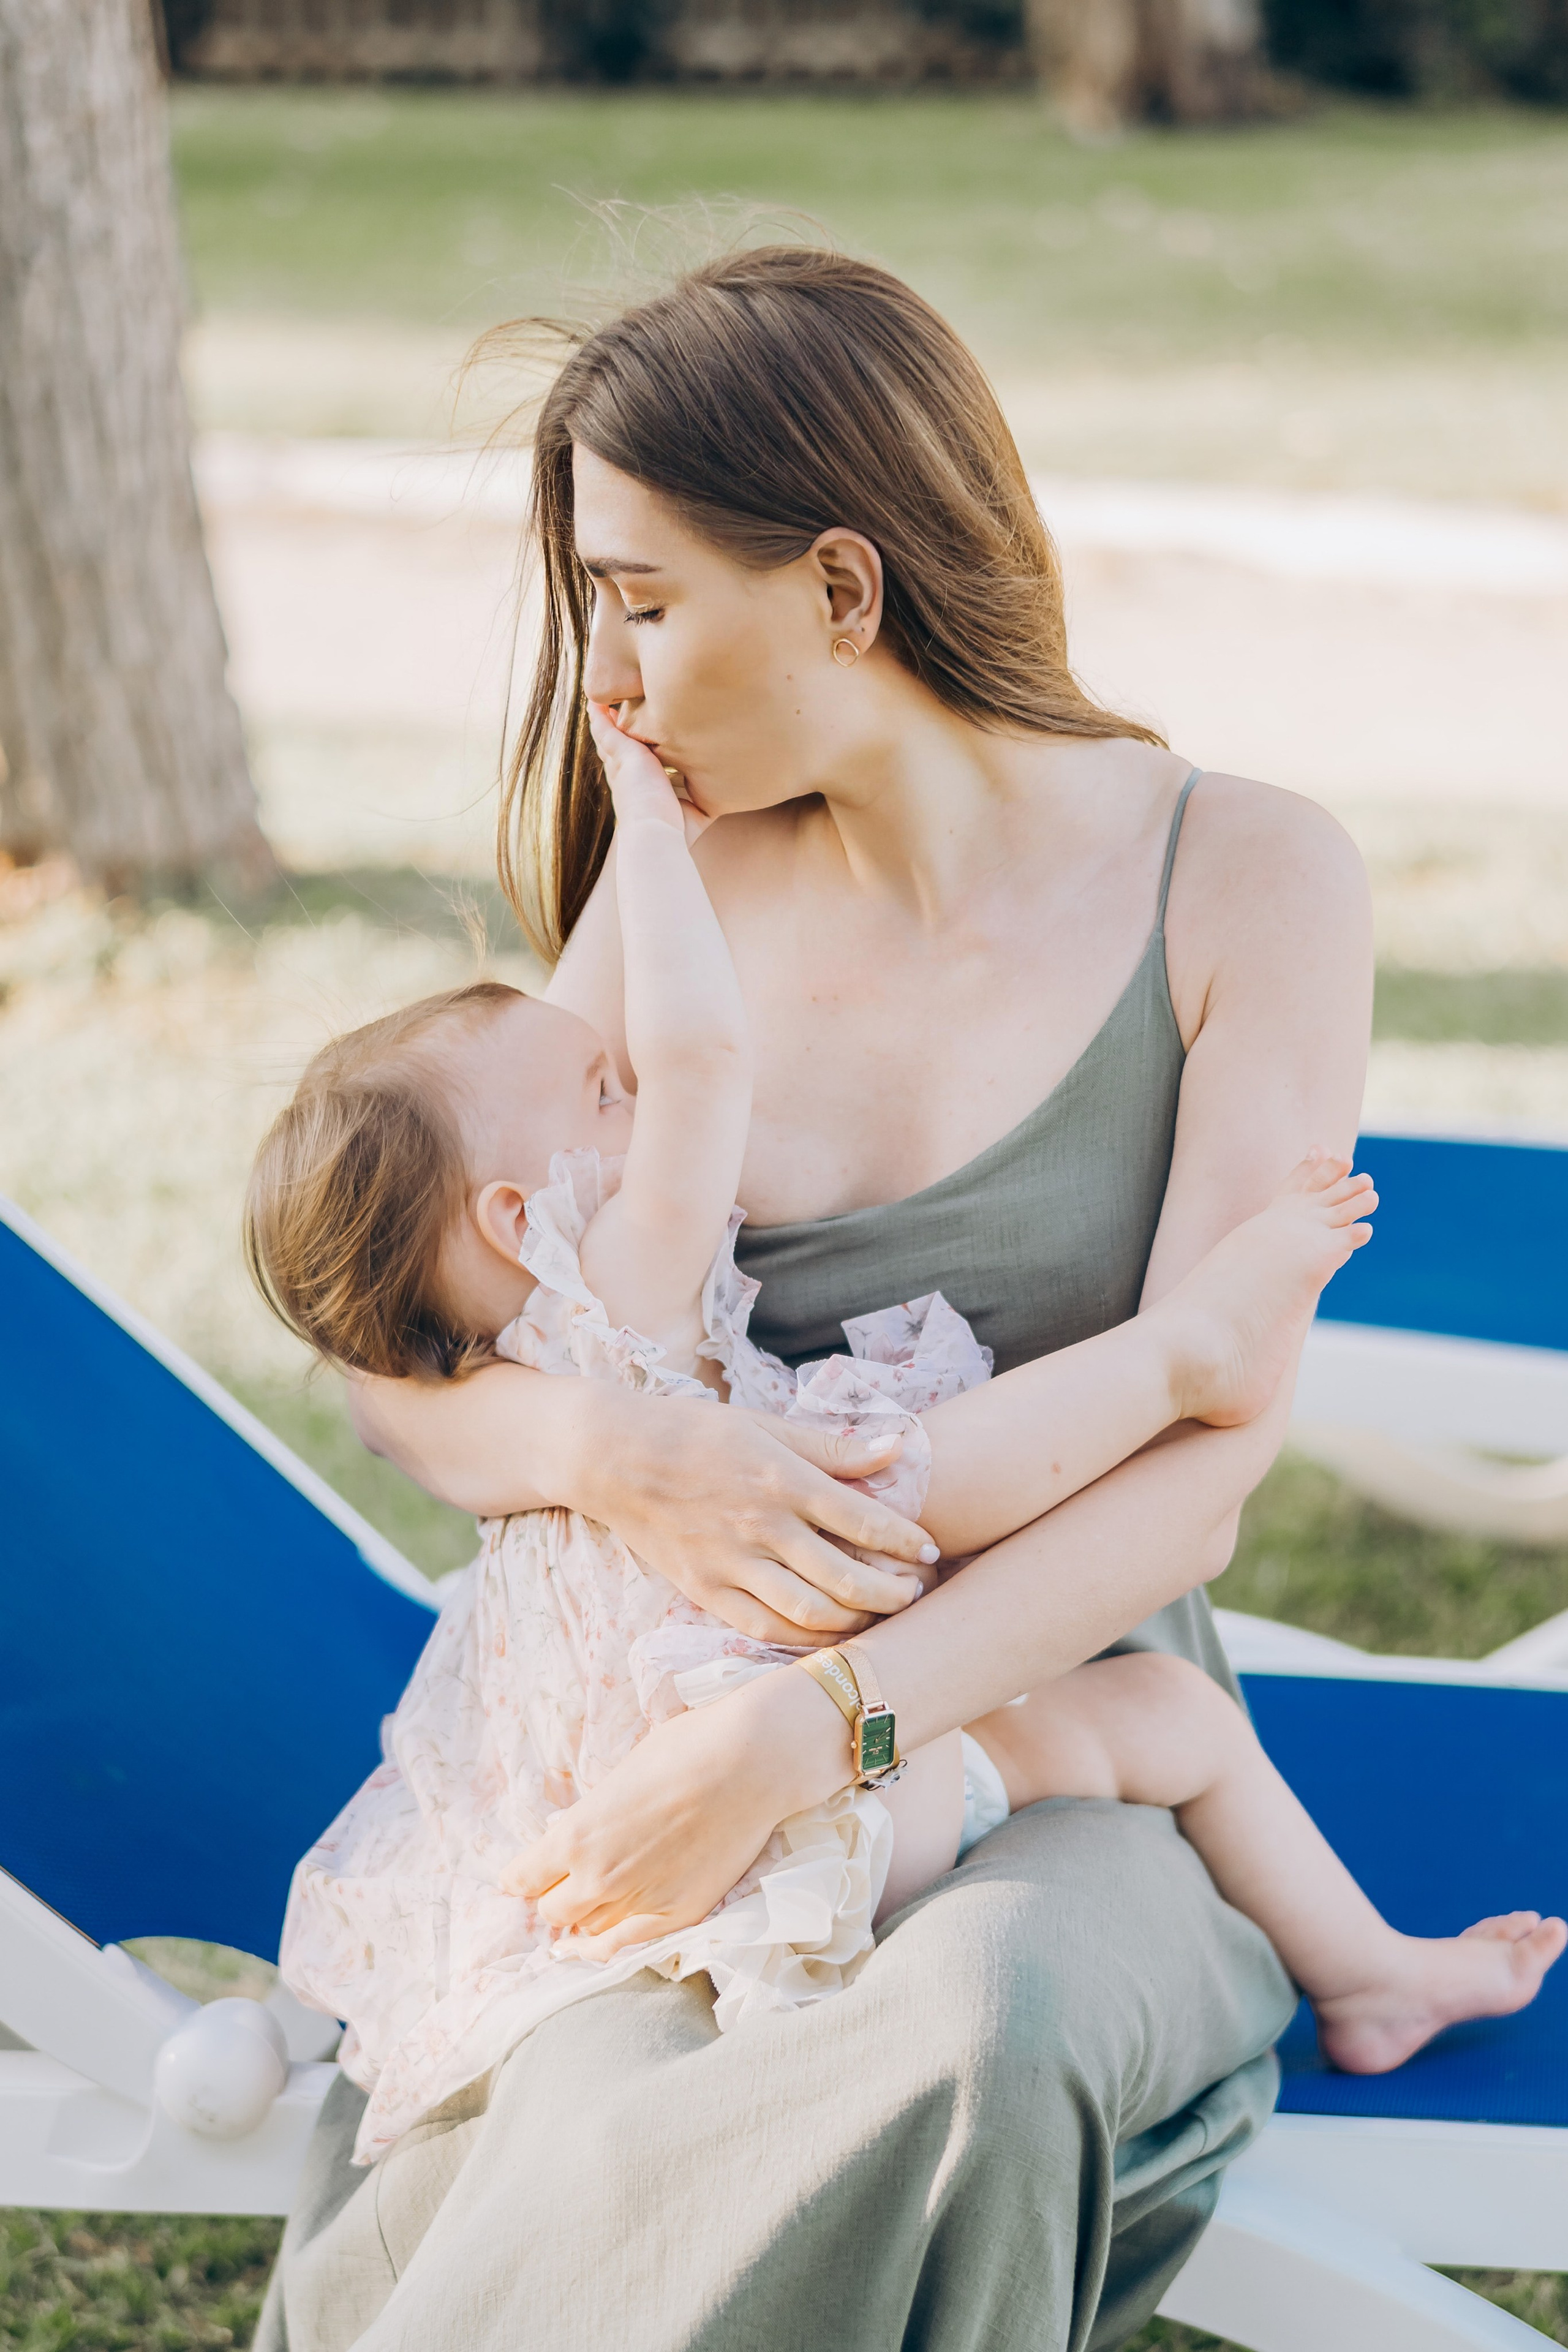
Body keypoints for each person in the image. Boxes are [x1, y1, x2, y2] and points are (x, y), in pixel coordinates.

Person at [259, 243, 1398, 2352]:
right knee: (600, 2090)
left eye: (646, 600)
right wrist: (628, 1451)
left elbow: (1198, 1477)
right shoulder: (680, 896)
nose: (608, 678)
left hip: (1055, 1730)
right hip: (659, 1710)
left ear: (845, 595)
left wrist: (821, 1727)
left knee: (980, 2025)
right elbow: (412, 1372)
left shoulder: (1245, 878)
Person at [249, 694, 1560, 2184]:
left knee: (1111, 1683)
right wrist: (655, 843)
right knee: (911, 1484)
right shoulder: (611, 1275)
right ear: (511, 1214)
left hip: (663, 1799)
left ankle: (1372, 1969)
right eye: (598, 1097)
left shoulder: (488, 1330)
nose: (627, 1090)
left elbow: (380, 1376)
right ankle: (1182, 1358)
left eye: (651, 602)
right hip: (816, 1798)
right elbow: (697, 1059)